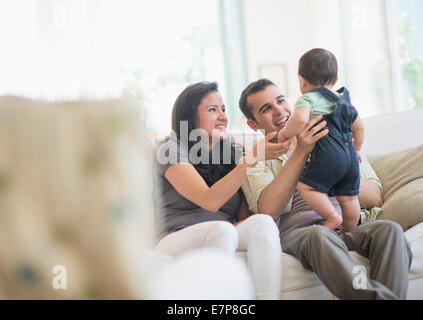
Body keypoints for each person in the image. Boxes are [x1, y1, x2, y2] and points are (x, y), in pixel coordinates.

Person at [239, 78, 413, 300]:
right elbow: (268, 210)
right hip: (302, 234)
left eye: (281, 101)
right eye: (266, 109)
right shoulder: (255, 158)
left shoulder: (334, 131)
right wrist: (301, 151)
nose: (279, 111)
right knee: (318, 234)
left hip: (348, 228)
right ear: (253, 124)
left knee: (389, 231)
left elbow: (374, 195)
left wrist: (327, 176)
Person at [155, 81, 311, 299]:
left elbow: (243, 214)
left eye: (223, 109)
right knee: (223, 230)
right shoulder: (171, 150)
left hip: (223, 232)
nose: (223, 117)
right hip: (177, 237)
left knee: (262, 223)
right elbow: (209, 201)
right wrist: (252, 160)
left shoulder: (231, 152)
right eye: (212, 110)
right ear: (189, 118)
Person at [277, 48, 364, 233]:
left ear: (301, 80)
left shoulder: (308, 98)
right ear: (337, 78)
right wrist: (356, 149)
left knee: (307, 187)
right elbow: (359, 127)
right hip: (350, 156)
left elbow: (300, 119)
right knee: (349, 198)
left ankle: (332, 216)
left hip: (329, 154)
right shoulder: (345, 101)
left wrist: (285, 134)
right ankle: (349, 230)